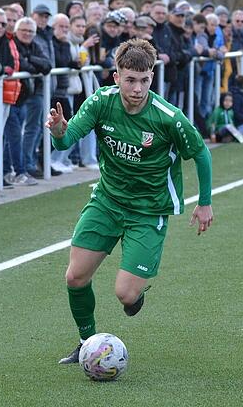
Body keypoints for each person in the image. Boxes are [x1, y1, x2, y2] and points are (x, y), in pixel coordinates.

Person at [49, 39, 214, 363]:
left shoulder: (168, 118)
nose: (138, 88)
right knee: (75, 276)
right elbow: (66, 140)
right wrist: (57, 131)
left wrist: (204, 201)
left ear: (152, 77)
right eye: (130, 80)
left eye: (145, 80)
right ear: (116, 77)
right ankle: (86, 343)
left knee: (125, 294)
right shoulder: (100, 102)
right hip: (107, 201)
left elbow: (201, 154)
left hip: (149, 210)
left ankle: (134, 298)